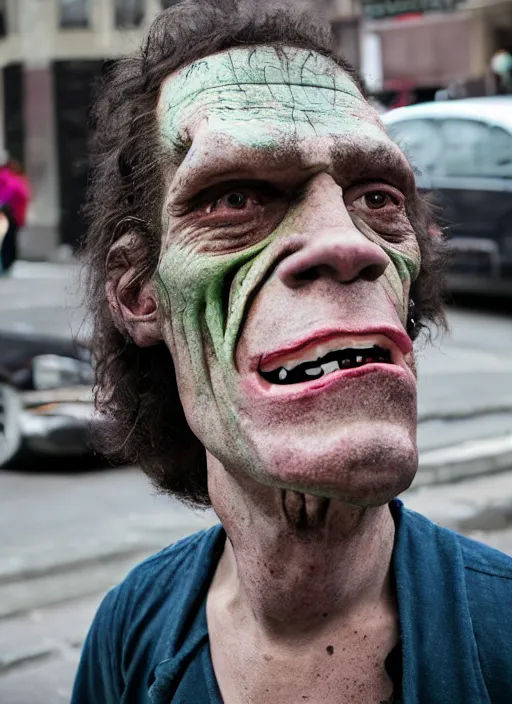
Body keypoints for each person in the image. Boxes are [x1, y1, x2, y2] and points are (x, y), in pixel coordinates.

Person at [72, 1, 512, 702]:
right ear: (139, 294)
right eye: (235, 197)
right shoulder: (130, 632)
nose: (349, 242)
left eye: (376, 195)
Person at [0, 152, 31, 272]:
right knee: (9, 240)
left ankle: (6, 263)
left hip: (10, 214)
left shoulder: (9, 179)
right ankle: (7, 263)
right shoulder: (14, 180)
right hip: (12, 214)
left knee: (8, 240)